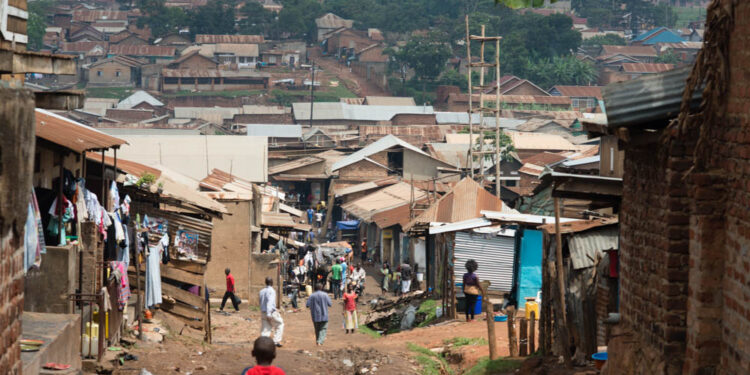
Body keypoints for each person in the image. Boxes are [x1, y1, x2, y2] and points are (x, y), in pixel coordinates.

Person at [259, 277, 284, 347]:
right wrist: (269, 313)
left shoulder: (261, 291)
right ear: (271, 282)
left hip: (263, 312)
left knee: (266, 328)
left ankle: (263, 342)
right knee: (280, 324)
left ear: (265, 282)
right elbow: (269, 302)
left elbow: (260, 302)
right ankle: (276, 341)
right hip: (270, 312)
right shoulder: (271, 291)